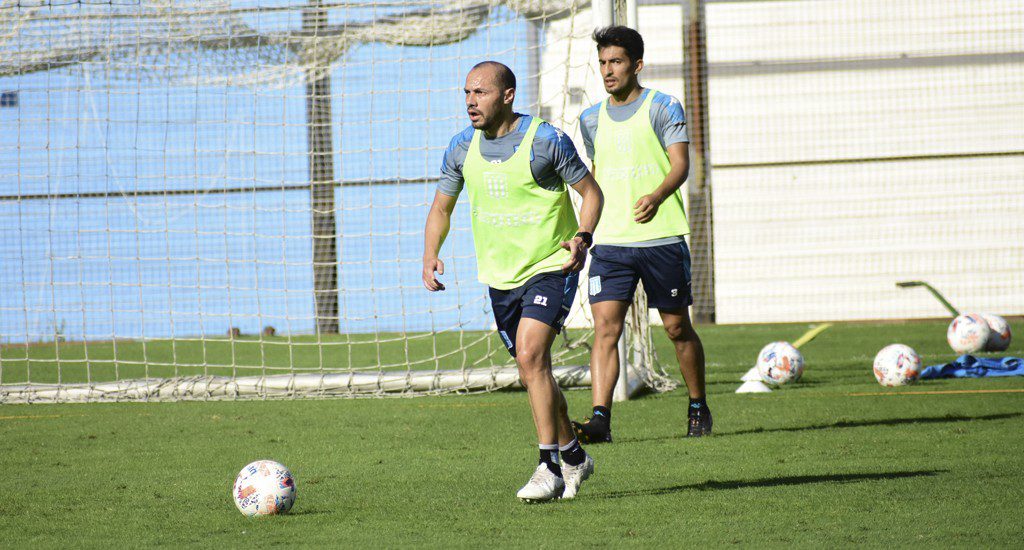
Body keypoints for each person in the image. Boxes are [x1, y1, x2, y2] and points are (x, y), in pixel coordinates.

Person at [422, 61, 604, 502]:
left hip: (550, 265)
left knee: (530, 353)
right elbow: (441, 208)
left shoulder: (545, 141)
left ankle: (549, 468)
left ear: (507, 95)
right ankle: (575, 456)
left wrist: (582, 237)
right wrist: (430, 254)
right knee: (532, 370)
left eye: (480, 92)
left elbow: (592, 193)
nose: (470, 102)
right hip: (500, 278)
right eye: (466, 92)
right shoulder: (462, 147)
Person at [572, 26, 711, 442]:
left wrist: (657, 195)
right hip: (612, 242)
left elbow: (680, 164)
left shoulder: (662, 106)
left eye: (615, 62)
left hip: (661, 238)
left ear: (637, 65)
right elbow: (596, 177)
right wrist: (586, 230)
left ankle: (697, 404)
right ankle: (600, 420)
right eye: (602, 63)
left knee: (675, 328)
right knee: (605, 329)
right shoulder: (590, 118)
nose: (607, 71)